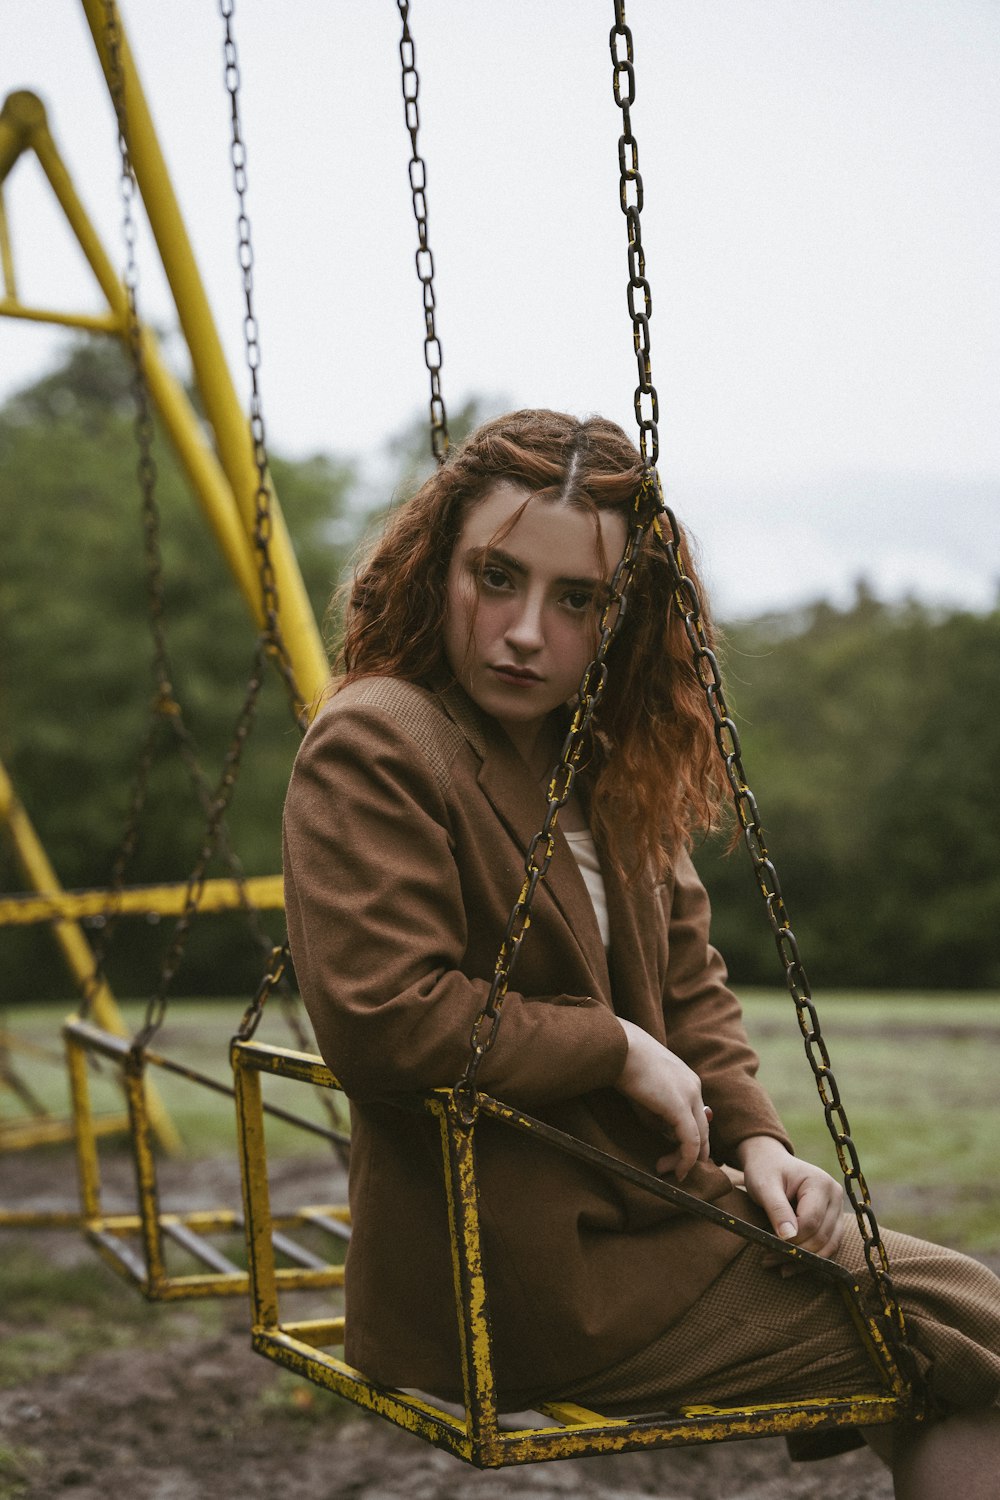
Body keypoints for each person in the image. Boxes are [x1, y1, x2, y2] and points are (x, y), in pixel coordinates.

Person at [282, 409, 1000, 1497]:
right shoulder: (381, 739)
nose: (526, 631)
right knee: (965, 1341)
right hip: (524, 1273)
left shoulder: (604, 766)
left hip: (658, 1222)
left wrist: (758, 1140)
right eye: (498, 577)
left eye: (577, 600)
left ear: (625, 618)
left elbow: (692, 988)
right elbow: (384, 1014)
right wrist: (611, 1048)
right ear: (440, 569)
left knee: (960, 1338)